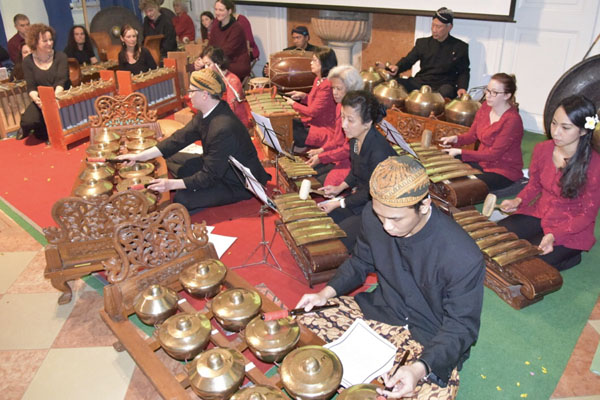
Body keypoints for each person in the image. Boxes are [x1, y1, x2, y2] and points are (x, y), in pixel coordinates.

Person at [296, 155, 484, 400]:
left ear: (424, 205)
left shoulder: (462, 256)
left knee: (424, 393)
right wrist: (325, 294)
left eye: (395, 219)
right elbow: (360, 262)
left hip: (430, 336)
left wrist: (419, 369)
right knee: (307, 323)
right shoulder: (373, 217)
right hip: (383, 310)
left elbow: (462, 327)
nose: (386, 226)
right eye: (380, 215)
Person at [117, 68, 271, 213]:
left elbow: (209, 176)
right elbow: (177, 140)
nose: (189, 95)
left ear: (204, 94)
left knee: (181, 199)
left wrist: (170, 185)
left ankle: (188, 187)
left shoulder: (223, 128)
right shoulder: (208, 111)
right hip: (217, 166)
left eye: (191, 91)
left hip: (237, 182)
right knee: (171, 158)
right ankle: (187, 183)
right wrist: (138, 157)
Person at [498, 95, 600, 271]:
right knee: (497, 240)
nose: (556, 132)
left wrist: (555, 235)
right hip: (540, 212)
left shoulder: (595, 165)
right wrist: (518, 200)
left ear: (583, 131)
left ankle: (571, 256)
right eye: (554, 123)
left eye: (565, 127)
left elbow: (586, 215)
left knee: (523, 263)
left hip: (571, 226)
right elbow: (534, 184)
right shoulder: (542, 149)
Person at [317, 90, 396, 251]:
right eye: (343, 117)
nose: (344, 124)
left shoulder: (379, 152)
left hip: (378, 209)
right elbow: (355, 171)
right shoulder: (354, 140)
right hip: (360, 199)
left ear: (367, 123)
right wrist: (340, 188)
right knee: (322, 222)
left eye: (350, 120)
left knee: (338, 239)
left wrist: (340, 202)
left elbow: (371, 193)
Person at [440, 73, 523, 191]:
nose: (487, 95)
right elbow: (472, 135)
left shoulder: (512, 120)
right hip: (482, 162)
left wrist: (460, 151)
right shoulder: (485, 107)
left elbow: (493, 154)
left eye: (494, 92)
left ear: (507, 95)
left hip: (502, 170)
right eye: (487, 90)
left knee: (460, 185)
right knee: (445, 158)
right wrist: (456, 139)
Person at [388, 7, 469, 99]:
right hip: (422, 82)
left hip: (443, 85)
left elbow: (464, 71)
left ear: (449, 27)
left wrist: (462, 87)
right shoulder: (423, 43)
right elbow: (409, 60)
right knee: (396, 84)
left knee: (447, 91)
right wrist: (397, 67)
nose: (434, 29)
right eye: (433, 25)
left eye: (438, 27)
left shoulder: (460, 47)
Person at [306, 65, 363, 186]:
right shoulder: (339, 106)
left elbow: (348, 150)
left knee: (321, 182)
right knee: (308, 175)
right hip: (338, 155)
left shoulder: (356, 112)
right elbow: (337, 139)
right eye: (333, 88)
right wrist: (322, 150)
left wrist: (322, 157)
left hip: (352, 163)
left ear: (350, 88)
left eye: (339, 88)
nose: (334, 93)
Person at [18, 24, 69, 141]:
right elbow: (31, 87)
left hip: (60, 95)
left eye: (50, 39)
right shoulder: (27, 61)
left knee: (53, 128)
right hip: (42, 99)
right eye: (45, 41)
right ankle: (34, 127)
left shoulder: (61, 56)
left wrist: (52, 102)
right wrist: (37, 100)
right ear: (35, 42)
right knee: (28, 122)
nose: (49, 43)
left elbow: (61, 81)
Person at [284, 47, 337, 152]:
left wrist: (293, 104)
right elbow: (317, 103)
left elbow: (313, 112)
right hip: (313, 122)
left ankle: (301, 149)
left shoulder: (327, 84)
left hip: (325, 128)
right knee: (286, 122)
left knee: (289, 129)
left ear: (324, 63)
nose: (311, 63)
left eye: (314, 60)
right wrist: (304, 96)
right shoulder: (318, 79)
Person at [195, 46, 250, 127]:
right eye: (204, 65)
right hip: (218, 118)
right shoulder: (213, 77)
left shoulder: (232, 81)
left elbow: (231, 110)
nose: (206, 68)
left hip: (234, 123)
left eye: (208, 64)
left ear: (219, 63)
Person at [208, 0, 251, 82]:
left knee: (212, 71)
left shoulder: (237, 28)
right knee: (197, 67)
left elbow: (227, 51)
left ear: (229, 11)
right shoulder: (216, 26)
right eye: (216, 9)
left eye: (221, 10)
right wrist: (201, 59)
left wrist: (210, 60)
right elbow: (210, 46)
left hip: (236, 64)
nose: (217, 13)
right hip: (220, 61)